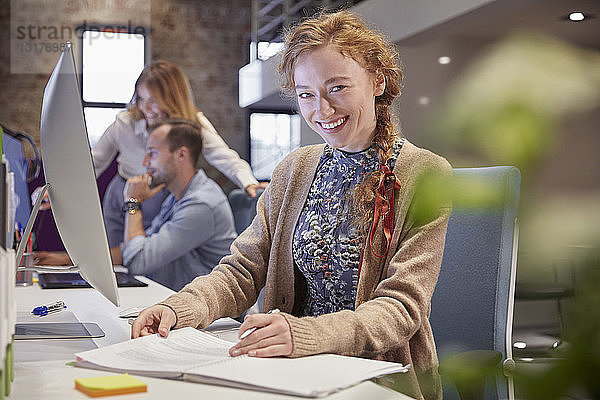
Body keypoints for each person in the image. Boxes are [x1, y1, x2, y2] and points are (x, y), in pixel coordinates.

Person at [132, 11, 451, 400]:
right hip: (288, 370)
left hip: (378, 378)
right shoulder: (295, 168)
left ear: (377, 81)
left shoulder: (425, 173)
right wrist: (181, 309)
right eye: (306, 94)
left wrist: (304, 335)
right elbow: (242, 270)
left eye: (337, 87)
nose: (322, 110)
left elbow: (401, 308)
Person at [34, 60, 266, 248]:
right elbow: (92, 164)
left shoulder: (191, 123)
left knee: (148, 259)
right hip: (122, 191)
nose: (146, 108)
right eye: (141, 99)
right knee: (117, 256)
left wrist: (248, 182)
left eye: (154, 101)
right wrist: (55, 192)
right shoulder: (125, 123)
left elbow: (223, 155)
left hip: (161, 196)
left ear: (172, 99)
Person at [36, 119, 238, 291]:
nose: (145, 161)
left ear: (181, 155)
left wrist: (133, 203)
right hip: (175, 296)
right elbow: (133, 248)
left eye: (152, 153)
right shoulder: (177, 197)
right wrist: (66, 259)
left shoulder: (201, 204)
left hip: (212, 317)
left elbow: (138, 261)